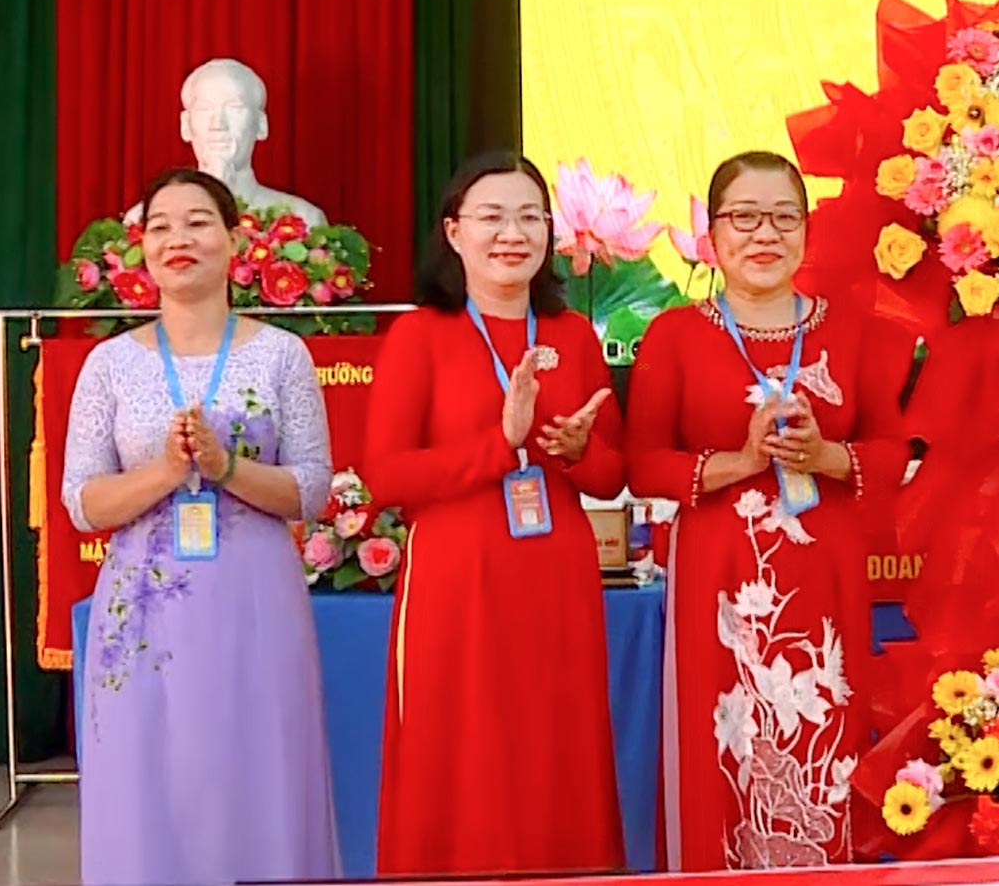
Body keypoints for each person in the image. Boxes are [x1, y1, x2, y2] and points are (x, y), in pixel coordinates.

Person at [628, 150, 916, 870]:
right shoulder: (675, 335)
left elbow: (892, 450)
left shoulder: (855, 330)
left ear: (806, 231)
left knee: (826, 734)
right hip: (718, 576)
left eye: (784, 217)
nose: (765, 234)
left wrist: (824, 455)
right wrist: (740, 463)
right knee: (722, 740)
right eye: (745, 217)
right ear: (712, 236)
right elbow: (643, 462)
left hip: (825, 572)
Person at [63, 168, 339, 884]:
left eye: (197, 223)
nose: (177, 239)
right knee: (146, 785)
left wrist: (224, 467)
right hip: (143, 615)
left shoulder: (282, 355)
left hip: (255, 604)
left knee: (260, 779)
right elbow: (82, 502)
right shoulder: (108, 365)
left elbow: (310, 489)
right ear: (142, 251)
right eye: (160, 227)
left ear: (234, 241)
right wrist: (165, 471)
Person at [364, 151, 626, 875]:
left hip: (557, 578)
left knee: (557, 748)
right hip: (457, 580)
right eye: (491, 217)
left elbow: (613, 475)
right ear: (454, 232)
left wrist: (576, 452)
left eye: (529, 217)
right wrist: (500, 444)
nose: (512, 233)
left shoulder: (572, 335)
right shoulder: (420, 335)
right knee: (461, 750)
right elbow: (385, 476)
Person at [125, 58, 329, 226]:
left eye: (235, 108)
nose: (218, 125)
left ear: (261, 125)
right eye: (205, 109)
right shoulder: (144, 221)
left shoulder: (304, 219)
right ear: (185, 125)